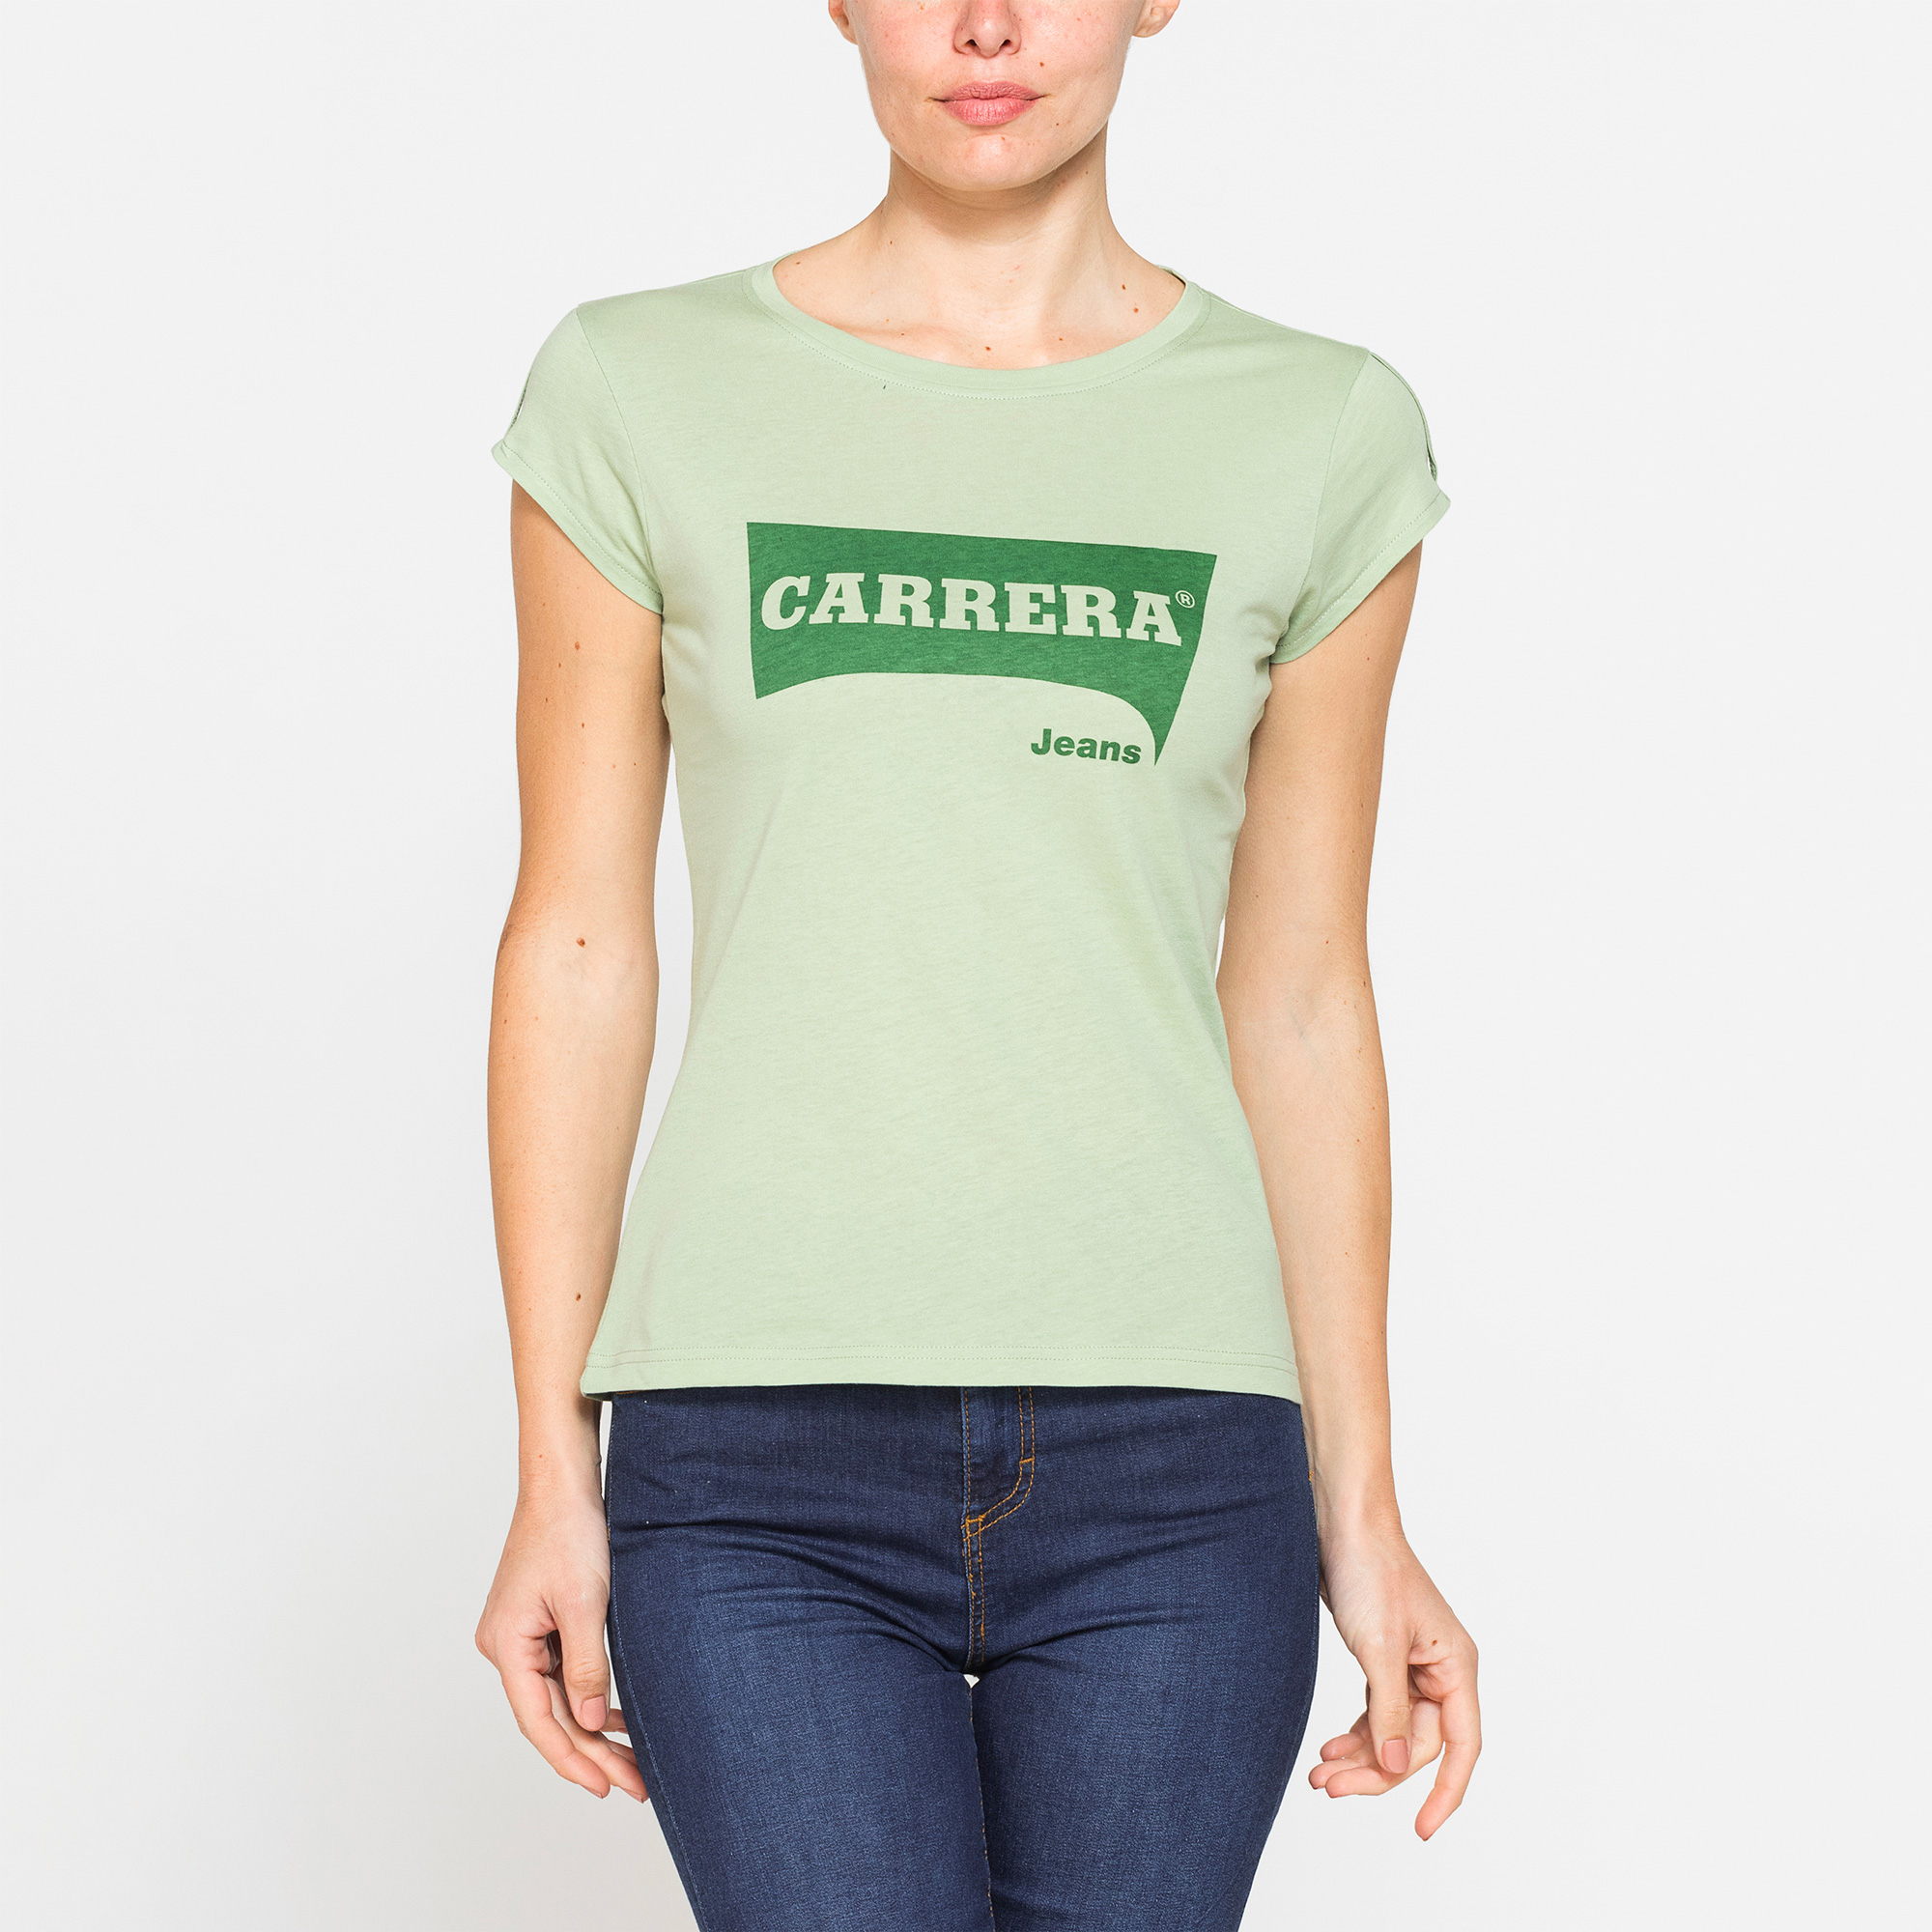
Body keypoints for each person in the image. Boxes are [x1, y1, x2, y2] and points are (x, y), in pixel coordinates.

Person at [473, 3, 1480, 1925]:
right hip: (754, 1450)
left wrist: (1364, 1513)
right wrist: (549, 1465)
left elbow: (1298, 996)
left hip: (1177, 1462)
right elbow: (580, 942)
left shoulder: (1318, 430)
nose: (989, 24)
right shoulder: (636, 391)